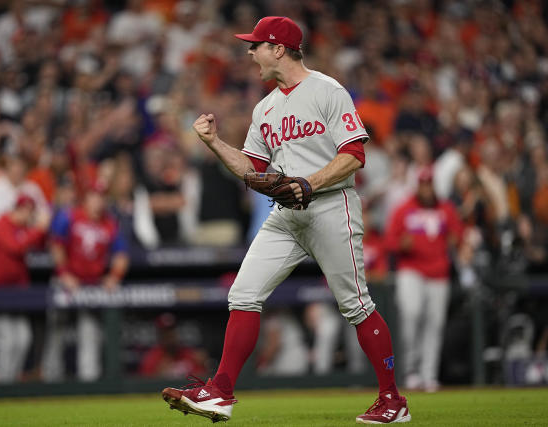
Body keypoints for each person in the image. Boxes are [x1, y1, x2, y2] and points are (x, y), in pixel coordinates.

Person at [162, 17, 410, 424]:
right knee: (243, 293)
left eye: (256, 44)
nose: (249, 51)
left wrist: (308, 184)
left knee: (356, 305)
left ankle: (392, 400)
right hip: (287, 216)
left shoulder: (327, 90)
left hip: (332, 206)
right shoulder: (266, 108)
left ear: (279, 49)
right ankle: (220, 392)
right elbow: (251, 170)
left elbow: (354, 155)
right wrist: (214, 143)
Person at [384, 167, 463, 392]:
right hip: (411, 270)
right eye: (423, 184)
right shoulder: (404, 209)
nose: (427, 189)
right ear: (417, 186)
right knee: (411, 315)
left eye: (430, 184)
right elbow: (388, 241)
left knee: (435, 324)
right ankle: (411, 370)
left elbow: (458, 235)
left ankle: (429, 375)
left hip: (438, 272)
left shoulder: (446, 208)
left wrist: (455, 240)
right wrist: (401, 245)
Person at [41, 181, 129, 382]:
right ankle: (49, 379)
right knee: (56, 329)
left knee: (89, 332)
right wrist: (64, 273)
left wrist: (114, 276)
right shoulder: (70, 216)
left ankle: (89, 382)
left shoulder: (110, 223)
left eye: (101, 197)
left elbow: (121, 255)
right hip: (66, 280)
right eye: (94, 196)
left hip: (92, 285)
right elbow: (56, 245)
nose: (98, 201)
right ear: (86, 198)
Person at [0, 194, 50, 382]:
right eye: (25, 210)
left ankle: (11, 383)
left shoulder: (24, 229)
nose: (28, 215)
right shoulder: (1, 224)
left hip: (15, 293)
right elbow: (15, 247)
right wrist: (38, 229)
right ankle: (3, 384)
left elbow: (41, 244)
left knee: (24, 338)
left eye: (30, 211)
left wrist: (40, 230)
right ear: (17, 209)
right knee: (7, 340)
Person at [138, 313, 208, 379]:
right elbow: (144, 384)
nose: (169, 335)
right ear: (159, 334)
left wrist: (203, 365)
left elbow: (202, 379)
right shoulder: (151, 358)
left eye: (172, 331)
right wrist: (158, 375)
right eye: (165, 332)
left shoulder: (190, 355)